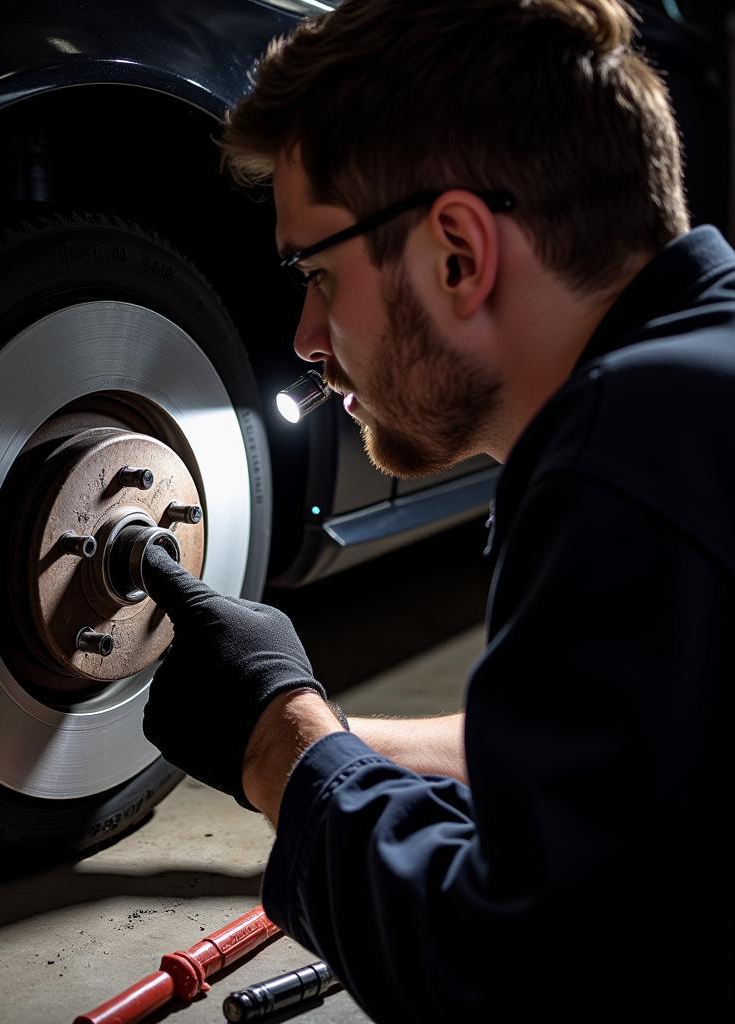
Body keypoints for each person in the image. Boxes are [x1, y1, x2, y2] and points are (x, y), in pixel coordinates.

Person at [140, 0, 734, 1018]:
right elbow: (626, 764)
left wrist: (279, 746)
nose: (306, 337)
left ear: (456, 251)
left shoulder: (624, 459)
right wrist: (321, 724)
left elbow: (504, 974)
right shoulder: (691, 391)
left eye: (320, 274)